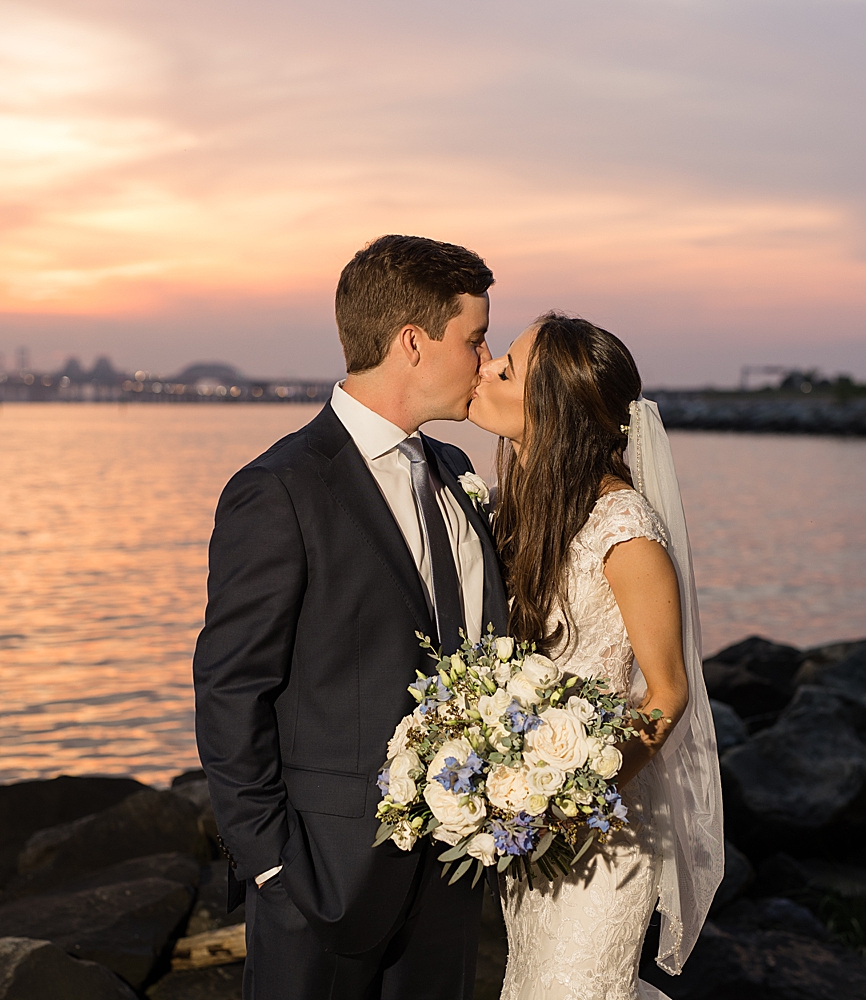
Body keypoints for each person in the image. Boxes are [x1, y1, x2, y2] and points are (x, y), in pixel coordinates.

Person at [193, 235, 510, 1000]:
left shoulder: (457, 472)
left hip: (450, 874)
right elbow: (232, 689)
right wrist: (273, 865)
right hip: (324, 881)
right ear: (413, 342)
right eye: (473, 337)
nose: (484, 359)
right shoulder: (281, 488)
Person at [468, 313, 723, 1000]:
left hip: (603, 836)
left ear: (550, 406)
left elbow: (668, 691)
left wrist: (583, 798)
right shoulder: (516, 512)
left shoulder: (624, 527)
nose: (486, 367)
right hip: (534, 829)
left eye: (508, 368)